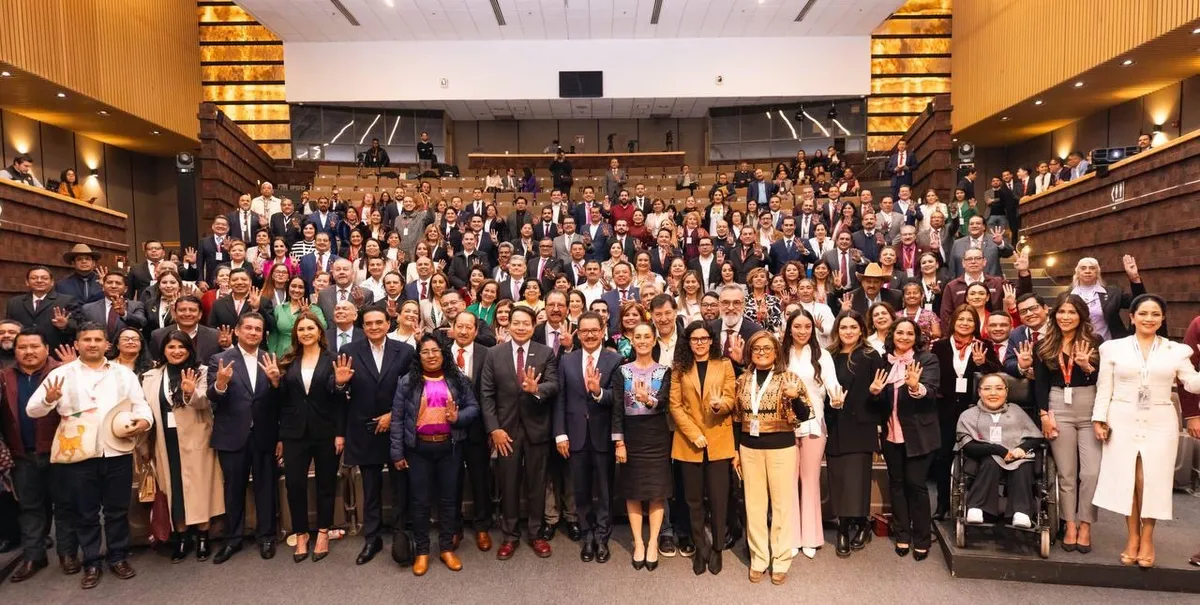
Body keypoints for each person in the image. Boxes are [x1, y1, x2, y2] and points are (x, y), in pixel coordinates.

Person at [28, 323, 152, 589]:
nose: (92, 344)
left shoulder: (123, 374)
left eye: (98, 339)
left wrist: (144, 422)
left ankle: (118, 556)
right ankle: (92, 562)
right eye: (87, 339)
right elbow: (32, 410)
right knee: (85, 512)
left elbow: (141, 404)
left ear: (107, 344)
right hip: (79, 454)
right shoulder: (61, 374)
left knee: (117, 510)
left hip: (117, 449)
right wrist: (49, 400)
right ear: (77, 344)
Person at [1092, 295, 1200, 568]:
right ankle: (1132, 537)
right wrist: (1099, 418)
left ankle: (1148, 537)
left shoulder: (1176, 351)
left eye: (1155, 314)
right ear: (1132, 316)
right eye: (1143, 313)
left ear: (1163, 318)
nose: (1149, 319)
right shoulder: (1112, 349)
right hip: (1122, 417)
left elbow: (1192, 384)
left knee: (1150, 481)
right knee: (1128, 480)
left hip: (1160, 421)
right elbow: (1105, 387)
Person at [391, 334, 479, 575]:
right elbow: (397, 419)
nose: (431, 355)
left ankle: (446, 548)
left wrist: (457, 418)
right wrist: (397, 452)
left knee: (449, 501)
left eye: (435, 350)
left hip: (449, 448)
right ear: (418, 356)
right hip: (418, 449)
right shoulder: (407, 382)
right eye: (425, 351)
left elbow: (474, 408)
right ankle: (421, 551)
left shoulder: (457, 380)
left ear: (443, 353)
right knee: (420, 502)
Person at [480, 306, 560, 560]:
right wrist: (494, 429)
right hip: (506, 432)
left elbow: (554, 385)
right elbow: (486, 395)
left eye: (526, 323)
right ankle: (510, 536)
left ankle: (536, 534)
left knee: (537, 485)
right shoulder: (494, 354)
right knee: (509, 484)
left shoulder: (546, 353)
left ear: (534, 324)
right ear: (508, 325)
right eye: (516, 322)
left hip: (537, 430)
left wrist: (537, 389)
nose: (521, 327)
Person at [0, 329, 80, 582]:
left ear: (46, 348)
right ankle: (34, 555)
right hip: (22, 453)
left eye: (34, 346)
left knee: (65, 506)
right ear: (15, 351)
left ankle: (67, 553)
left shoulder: (64, 372)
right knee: (29, 507)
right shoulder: (6, 376)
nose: (29, 352)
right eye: (22, 347)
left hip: (60, 451)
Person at [138, 331, 224, 563]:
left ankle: (203, 536)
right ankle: (182, 536)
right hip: (165, 439)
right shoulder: (151, 376)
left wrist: (190, 392)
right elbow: (145, 409)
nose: (176, 351)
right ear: (163, 350)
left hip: (197, 437)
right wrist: (144, 444)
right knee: (172, 486)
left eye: (181, 347)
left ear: (189, 350)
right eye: (171, 347)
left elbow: (205, 401)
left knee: (200, 487)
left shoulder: (202, 371)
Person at [732, 331, 809, 585]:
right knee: (753, 505)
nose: (762, 352)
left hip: (781, 448)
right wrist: (735, 451)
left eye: (767, 348)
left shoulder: (790, 378)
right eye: (756, 348)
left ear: (776, 352)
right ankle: (758, 558)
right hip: (749, 448)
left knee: (781, 506)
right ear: (750, 353)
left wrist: (795, 396)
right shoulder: (742, 380)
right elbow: (735, 419)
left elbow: (805, 413)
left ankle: (781, 559)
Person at [207, 313, 281, 564]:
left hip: (264, 434)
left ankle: (267, 536)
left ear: (263, 334)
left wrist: (275, 383)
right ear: (237, 331)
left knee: (266, 487)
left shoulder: (271, 359)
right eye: (248, 328)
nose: (253, 332)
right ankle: (232, 539)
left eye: (258, 329)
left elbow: (278, 404)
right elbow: (213, 399)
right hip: (232, 436)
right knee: (233, 490)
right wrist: (220, 384)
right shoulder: (219, 359)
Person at [276, 312, 351, 563]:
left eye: (310, 328)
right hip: (294, 432)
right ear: (295, 334)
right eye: (301, 329)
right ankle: (301, 534)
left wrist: (340, 432)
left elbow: (339, 400)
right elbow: (281, 401)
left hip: (326, 431)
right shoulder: (287, 360)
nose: (306, 332)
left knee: (326, 484)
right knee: (294, 485)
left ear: (319, 332)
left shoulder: (333, 360)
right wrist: (275, 383)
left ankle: (322, 532)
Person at [1033, 294, 1101, 553]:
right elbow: (1039, 384)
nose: (1066, 317)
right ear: (1054, 315)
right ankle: (1069, 524)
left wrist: (1086, 367)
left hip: (1089, 406)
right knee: (1067, 474)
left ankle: (1086, 523)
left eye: (1071, 312)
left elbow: (1103, 380)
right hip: (1057, 404)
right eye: (1061, 312)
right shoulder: (1045, 344)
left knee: (1091, 473)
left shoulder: (1096, 342)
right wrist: (1044, 416)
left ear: (1081, 315)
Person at [553, 312, 622, 564]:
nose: (590, 335)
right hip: (575, 436)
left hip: (603, 436)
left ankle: (602, 537)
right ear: (578, 333)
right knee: (580, 490)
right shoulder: (567, 361)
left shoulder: (614, 360)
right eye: (585, 331)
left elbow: (617, 399)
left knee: (604, 491)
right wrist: (560, 433)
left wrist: (598, 393)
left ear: (603, 331)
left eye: (595, 330)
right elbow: (560, 399)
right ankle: (587, 535)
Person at [670, 320, 737, 576]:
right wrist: (694, 433)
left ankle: (718, 547)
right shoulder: (679, 369)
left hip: (719, 440)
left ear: (711, 340)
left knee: (719, 499)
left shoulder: (725, 365)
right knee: (693, 500)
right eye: (694, 339)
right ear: (688, 342)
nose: (699, 343)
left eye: (704, 338)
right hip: (690, 442)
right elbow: (675, 406)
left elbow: (731, 397)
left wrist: (722, 405)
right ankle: (701, 547)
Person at [611, 322, 672, 571]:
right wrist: (620, 442)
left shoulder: (664, 371)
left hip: (657, 436)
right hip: (631, 436)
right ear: (632, 340)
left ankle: (653, 542)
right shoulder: (622, 371)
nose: (643, 340)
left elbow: (666, 401)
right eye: (638, 337)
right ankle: (638, 542)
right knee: (633, 492)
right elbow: (616, 409)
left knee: (657, 492)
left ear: (654, 340)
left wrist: (650, 400)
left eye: (648, 336)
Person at [929, 306, 1000, 520]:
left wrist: (983, 363)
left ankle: (975, 505)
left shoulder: (983, 345)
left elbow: (998, 374)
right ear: (953, 322)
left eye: (970, 320)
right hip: (944, 410)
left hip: (976, 410)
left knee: (977, 457)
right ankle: (942, 504)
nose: (965, 323)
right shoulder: (940, 346)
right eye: (961, 319)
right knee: (943, 457)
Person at [878, 318, 940, 561]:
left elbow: (931, 391)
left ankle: (922, 537)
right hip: (891, 432)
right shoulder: (883, 361)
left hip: (919, 434)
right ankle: (902, 533)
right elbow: (878, 397)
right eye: (900, 333)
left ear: (916, 337)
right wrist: (874, 393)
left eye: (909, 334)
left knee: (916, 484)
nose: (904, 337)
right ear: (892, 335)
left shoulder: (927, 360)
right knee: (897, 484)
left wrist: (915, 388)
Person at [781, 310, 840, 559]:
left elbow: (833, 385)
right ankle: (792, 536)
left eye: (807, 326)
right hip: (784, 423)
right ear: (789, 328)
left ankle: (811, 537)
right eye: (797, 326)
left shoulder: (822, 355)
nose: (802, 331)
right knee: (788, 480)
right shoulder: (781, 355)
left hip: (814, 423)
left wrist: (837, 398)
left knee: (810, 479)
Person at [955, 374, 1045, 528]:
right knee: (991, 461)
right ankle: (977, 507)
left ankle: (1021, 512)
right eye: (987, 389)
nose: (993, 393)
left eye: (999, 388)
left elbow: (1036, 437)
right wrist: (997, 449)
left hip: (1017, 458)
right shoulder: (968, 415)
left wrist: (1020, 449)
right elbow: (967, 445)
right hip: (983, 460)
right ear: (979, 391)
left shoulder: (1017, 411)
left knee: (1023, 465)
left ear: (1007, 391)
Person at [1069, 255, 1146, 341]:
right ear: (1077, 273)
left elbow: (1140, 302)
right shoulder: (1068, 297)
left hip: (1109, 345)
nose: (1088, 271)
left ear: (1097, 273)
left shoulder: (1112, 293)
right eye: (1083, 268)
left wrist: (1134, 277)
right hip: (1077, 346)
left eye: (1092, 268)